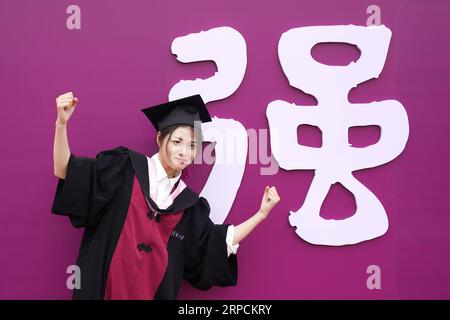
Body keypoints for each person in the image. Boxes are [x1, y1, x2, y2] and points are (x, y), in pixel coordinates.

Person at [52, 91, 281, 300]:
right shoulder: (124, 168)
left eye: (193, 146)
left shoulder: (188, 205)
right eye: (177, 142)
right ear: (160, 139)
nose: (184, 152)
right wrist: (61, 125)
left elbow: (218, 242)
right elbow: (65, 170)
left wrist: (261, 214)